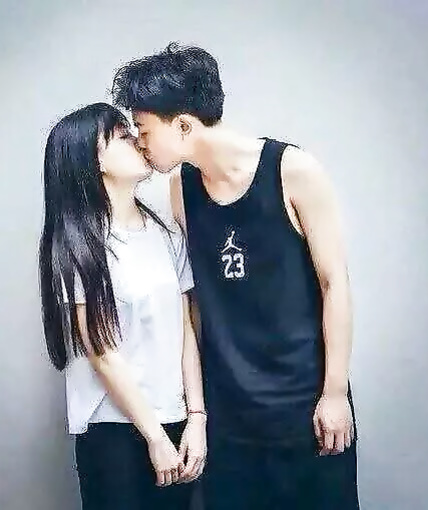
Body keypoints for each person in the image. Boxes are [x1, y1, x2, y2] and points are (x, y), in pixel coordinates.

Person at [111, 43, 360, 509]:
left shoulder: (293, 171)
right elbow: (195, 301)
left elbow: (335, 284)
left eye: (144, 131)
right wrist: (198, 412)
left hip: (304, 404)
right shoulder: (182, 188)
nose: (140, 143)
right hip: (230, 416)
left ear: (183, 126)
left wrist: (335, 392)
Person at [38, 102, 206, 510]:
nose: (138, 141)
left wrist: (197, 417)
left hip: (175, 419)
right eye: (122, 136)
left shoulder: (166, 232)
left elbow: (186, 327)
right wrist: (154, 437)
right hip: (114, 429)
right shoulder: (77, 245)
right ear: (93, 161)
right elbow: (103, 354)